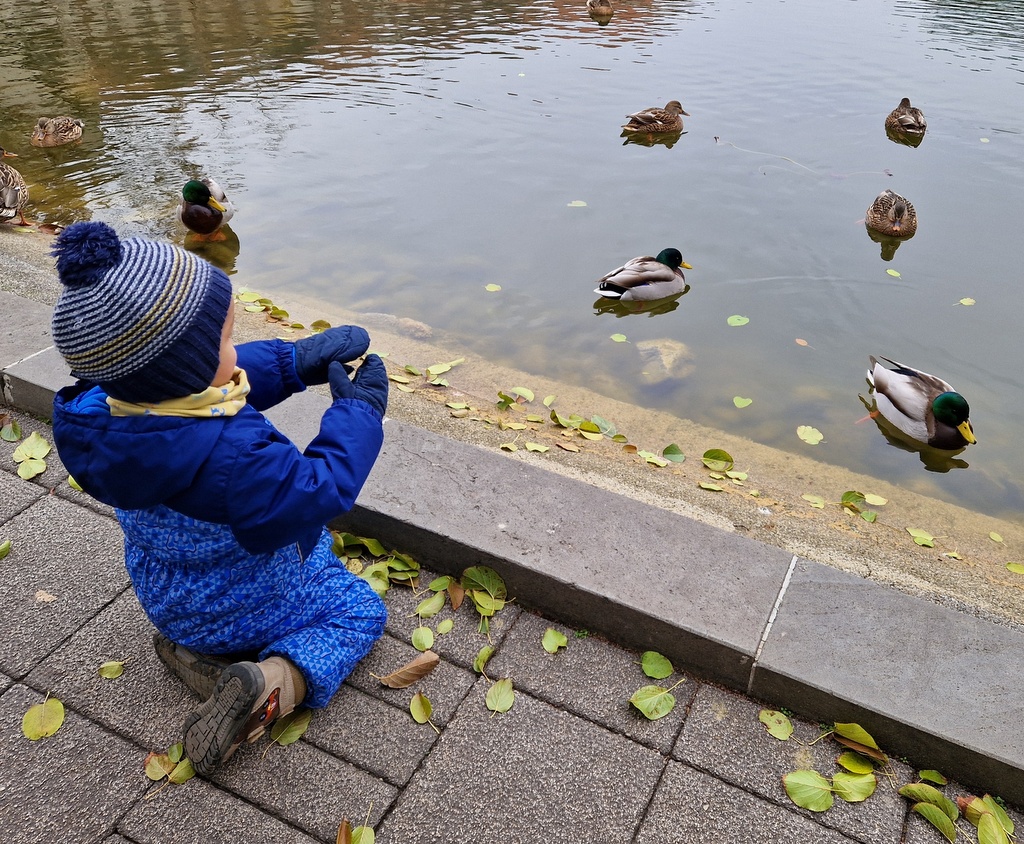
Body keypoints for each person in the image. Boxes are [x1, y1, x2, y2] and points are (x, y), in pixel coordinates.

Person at [49, 221, 389, 775]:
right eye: (228, 340)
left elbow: (203, 376)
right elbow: (317, 490)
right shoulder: (236, 459)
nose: (235, 349)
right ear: (189, 365)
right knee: (358, 610)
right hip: (243, 606)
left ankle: (198, 655)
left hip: (166, 593)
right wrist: (360, 415)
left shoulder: (99, 415)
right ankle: (274, 684)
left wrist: (292, 362)